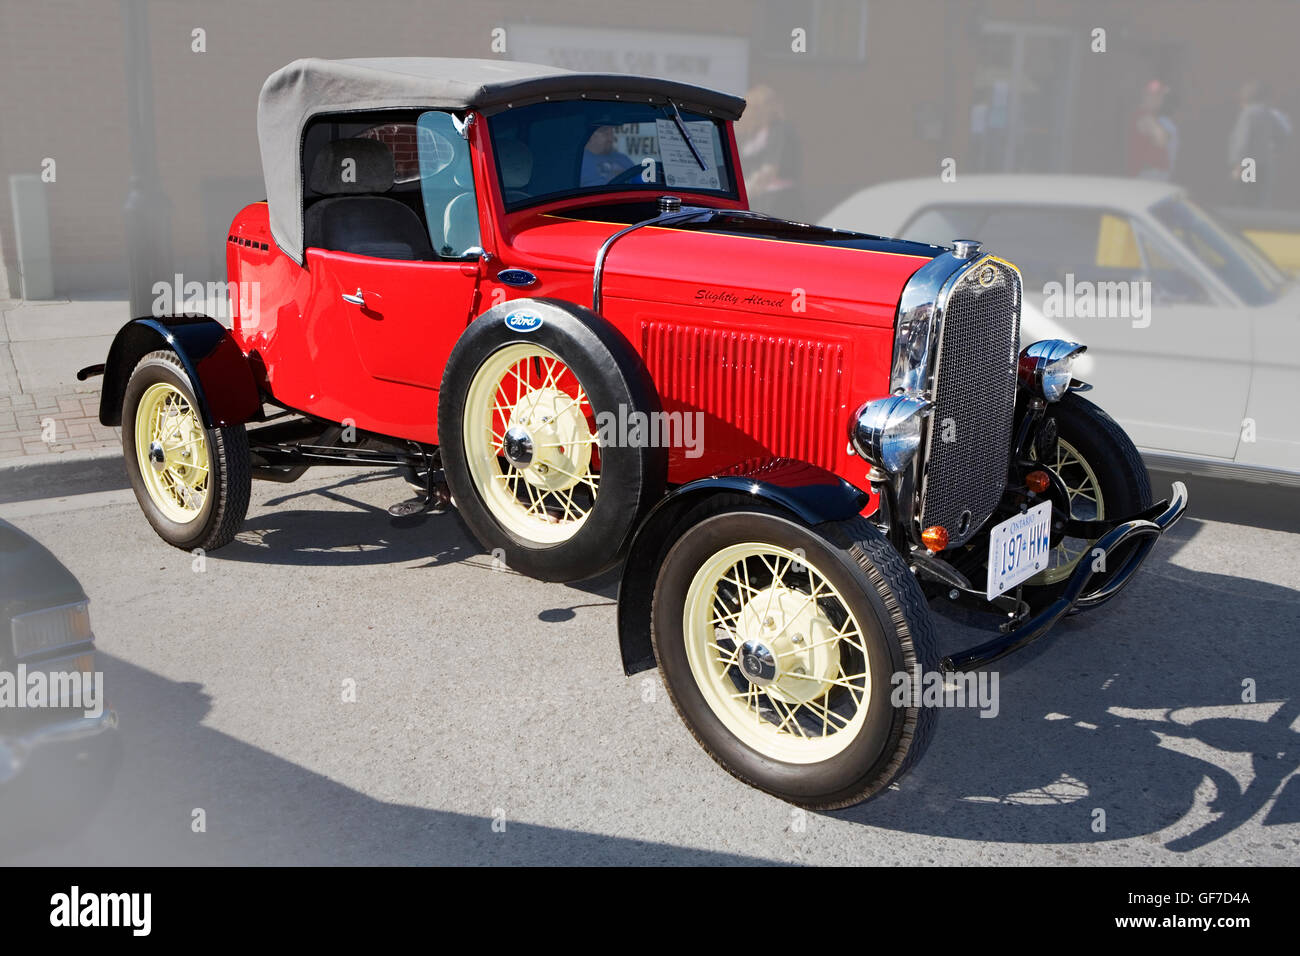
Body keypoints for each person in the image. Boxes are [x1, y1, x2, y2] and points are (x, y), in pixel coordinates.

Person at [738, 85, 803, 220]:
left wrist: (744, 194)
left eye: (755, 108)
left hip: (776, 200)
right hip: (756, 197)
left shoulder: (780, 131)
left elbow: (769, 170)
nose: (749, 113)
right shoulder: (754, 133)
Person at [1227, 81, 1290, 206]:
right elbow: (1282, 134)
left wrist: (1239, 163)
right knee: (1258, 197)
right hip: (1264, 162)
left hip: (1248, 162)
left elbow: (1243, 140)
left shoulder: (1248, 114)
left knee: (1245, 195)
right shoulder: (1269, 114)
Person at [1126, 79, 1172, 180]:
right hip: (1147, 175)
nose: (1160, 100)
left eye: (1161, 96)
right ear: (1146, 96)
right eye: (1157, 96)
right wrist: (1167, 134)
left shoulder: (1149, 116)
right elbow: (1162, 139)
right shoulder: (1142, 116)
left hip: (1150, 174)